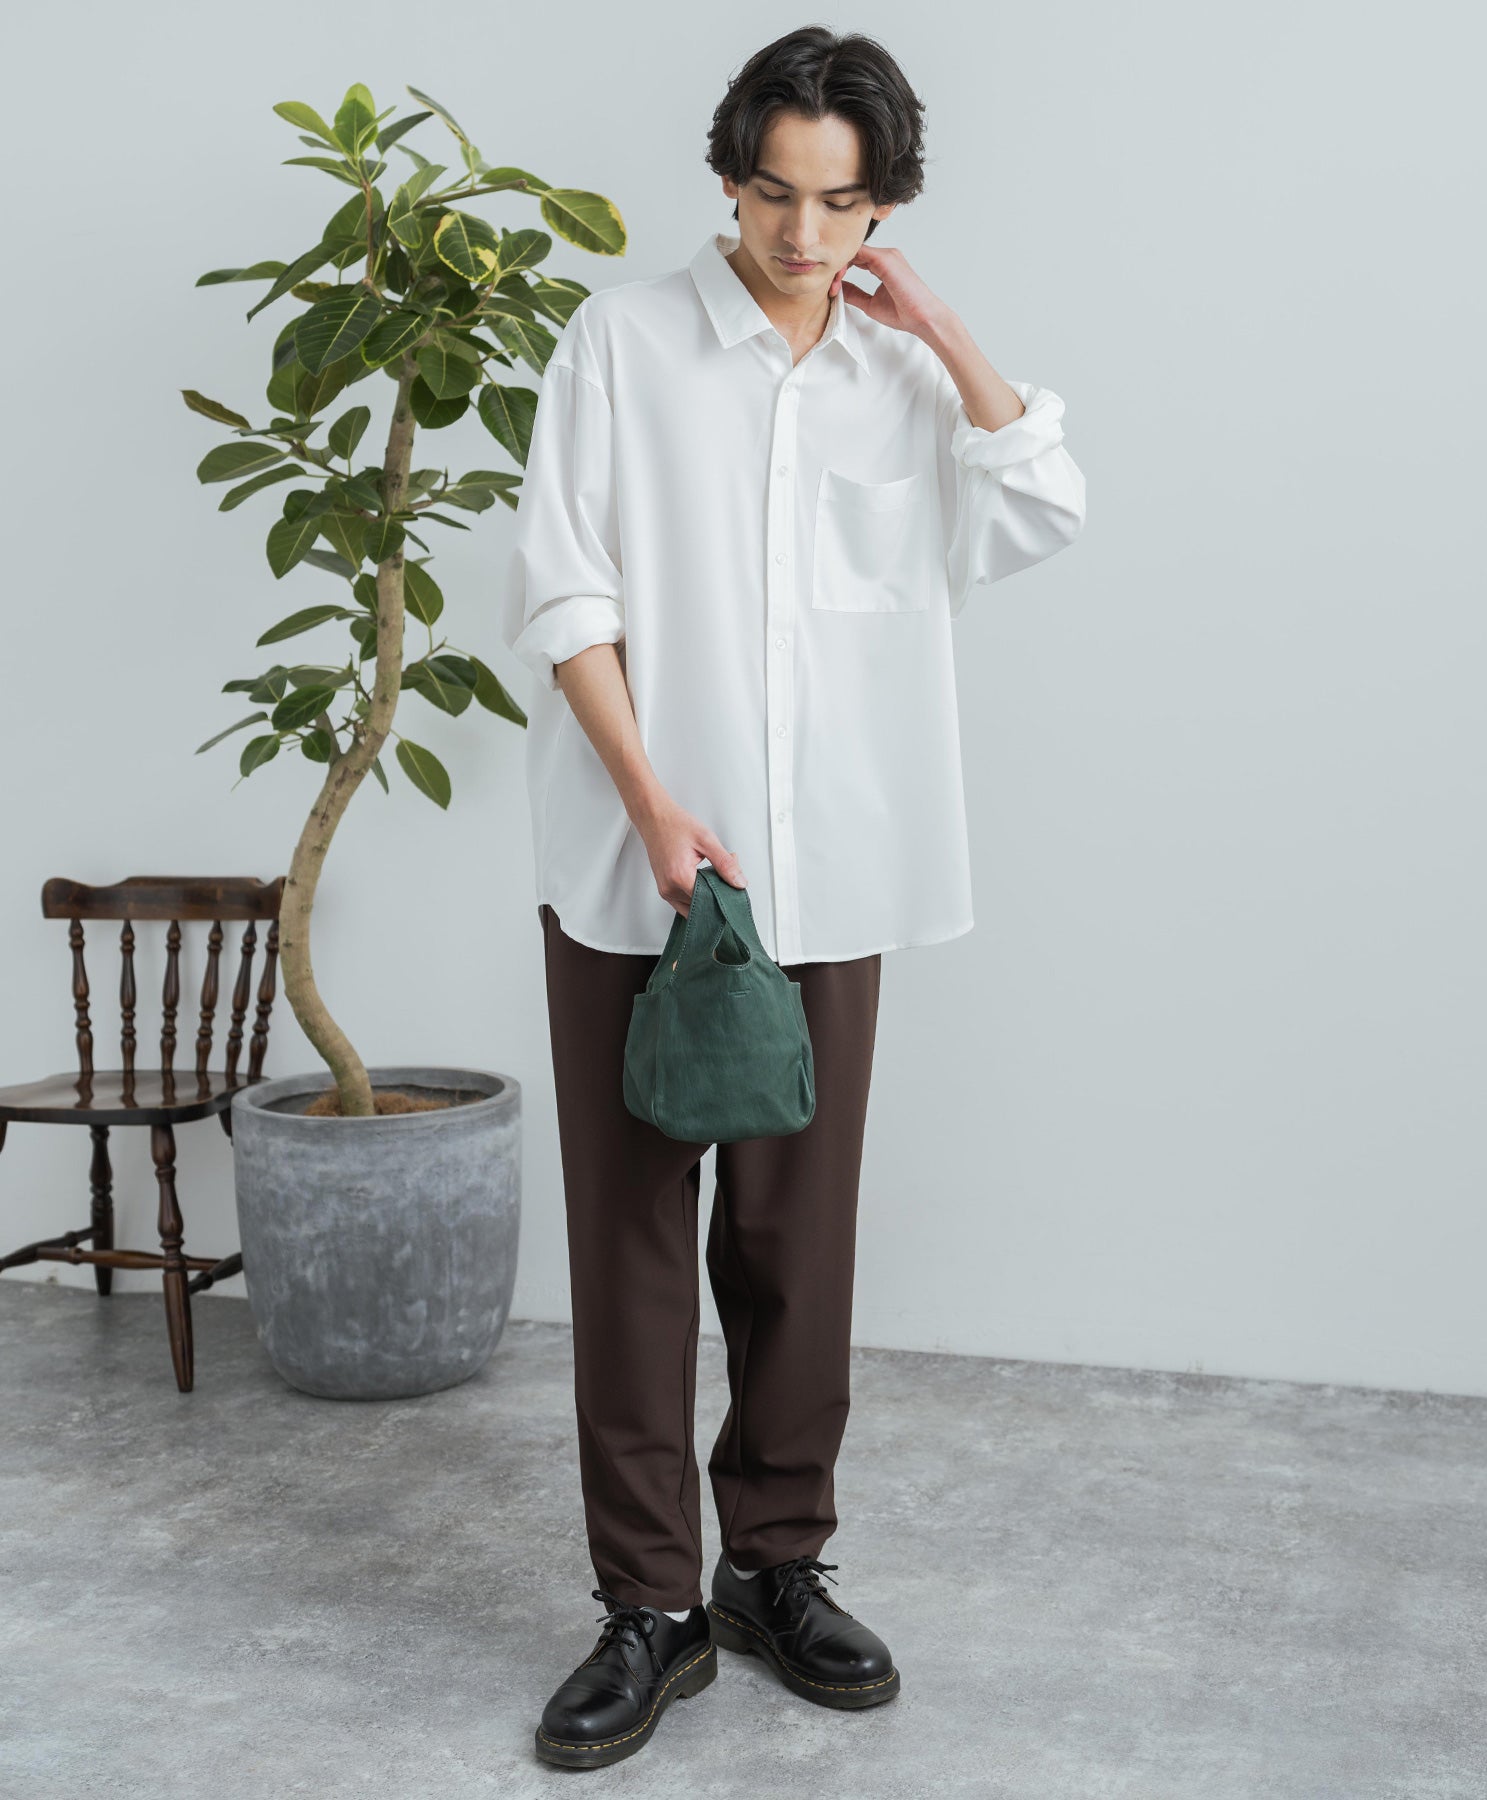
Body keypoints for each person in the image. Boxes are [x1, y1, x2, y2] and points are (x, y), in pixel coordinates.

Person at [500, 24, 1086, 1771]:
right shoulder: (621, 344)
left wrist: (945, 333)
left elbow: (1045, 505)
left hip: (834, 876)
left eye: (841, 204)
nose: (802, 235)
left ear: (884, 205)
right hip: (638, 873)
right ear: (727, 178)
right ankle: (647, 1606)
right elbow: (564, 592)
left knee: (795, 1243)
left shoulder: (904, 379)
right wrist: (652, 805)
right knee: (630, 1244)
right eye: (774, 195)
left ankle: (775, 1567)